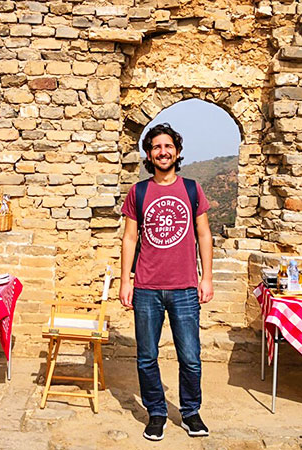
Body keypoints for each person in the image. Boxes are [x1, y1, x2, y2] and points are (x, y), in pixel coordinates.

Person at [119, 123, 214, 441]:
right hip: (146, 287)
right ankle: (156, 413)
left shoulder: (191, 189)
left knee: (190, 356)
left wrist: (207, 277)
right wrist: (125, 281)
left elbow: (204, 234)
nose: (163, 151)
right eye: (156, 147)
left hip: (185, 287)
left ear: (177, 151)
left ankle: (191, 413)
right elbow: (130, 237)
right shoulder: (139, 192)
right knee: (147, 357)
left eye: (168, 146)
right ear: (148, 154)